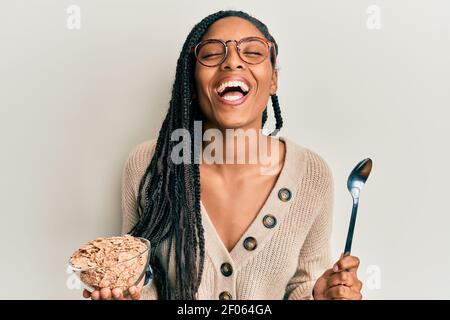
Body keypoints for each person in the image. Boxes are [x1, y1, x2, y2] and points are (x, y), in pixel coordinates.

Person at [84, 10, 363, 300]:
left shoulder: (311, 174)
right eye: (213, 54)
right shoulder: (147, 164)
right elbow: (141, 278)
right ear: (191, 81)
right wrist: (128, 295)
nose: (232, 61)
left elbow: (303, 287)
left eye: (253, 52)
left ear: (273, 81)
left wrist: (322, 297)